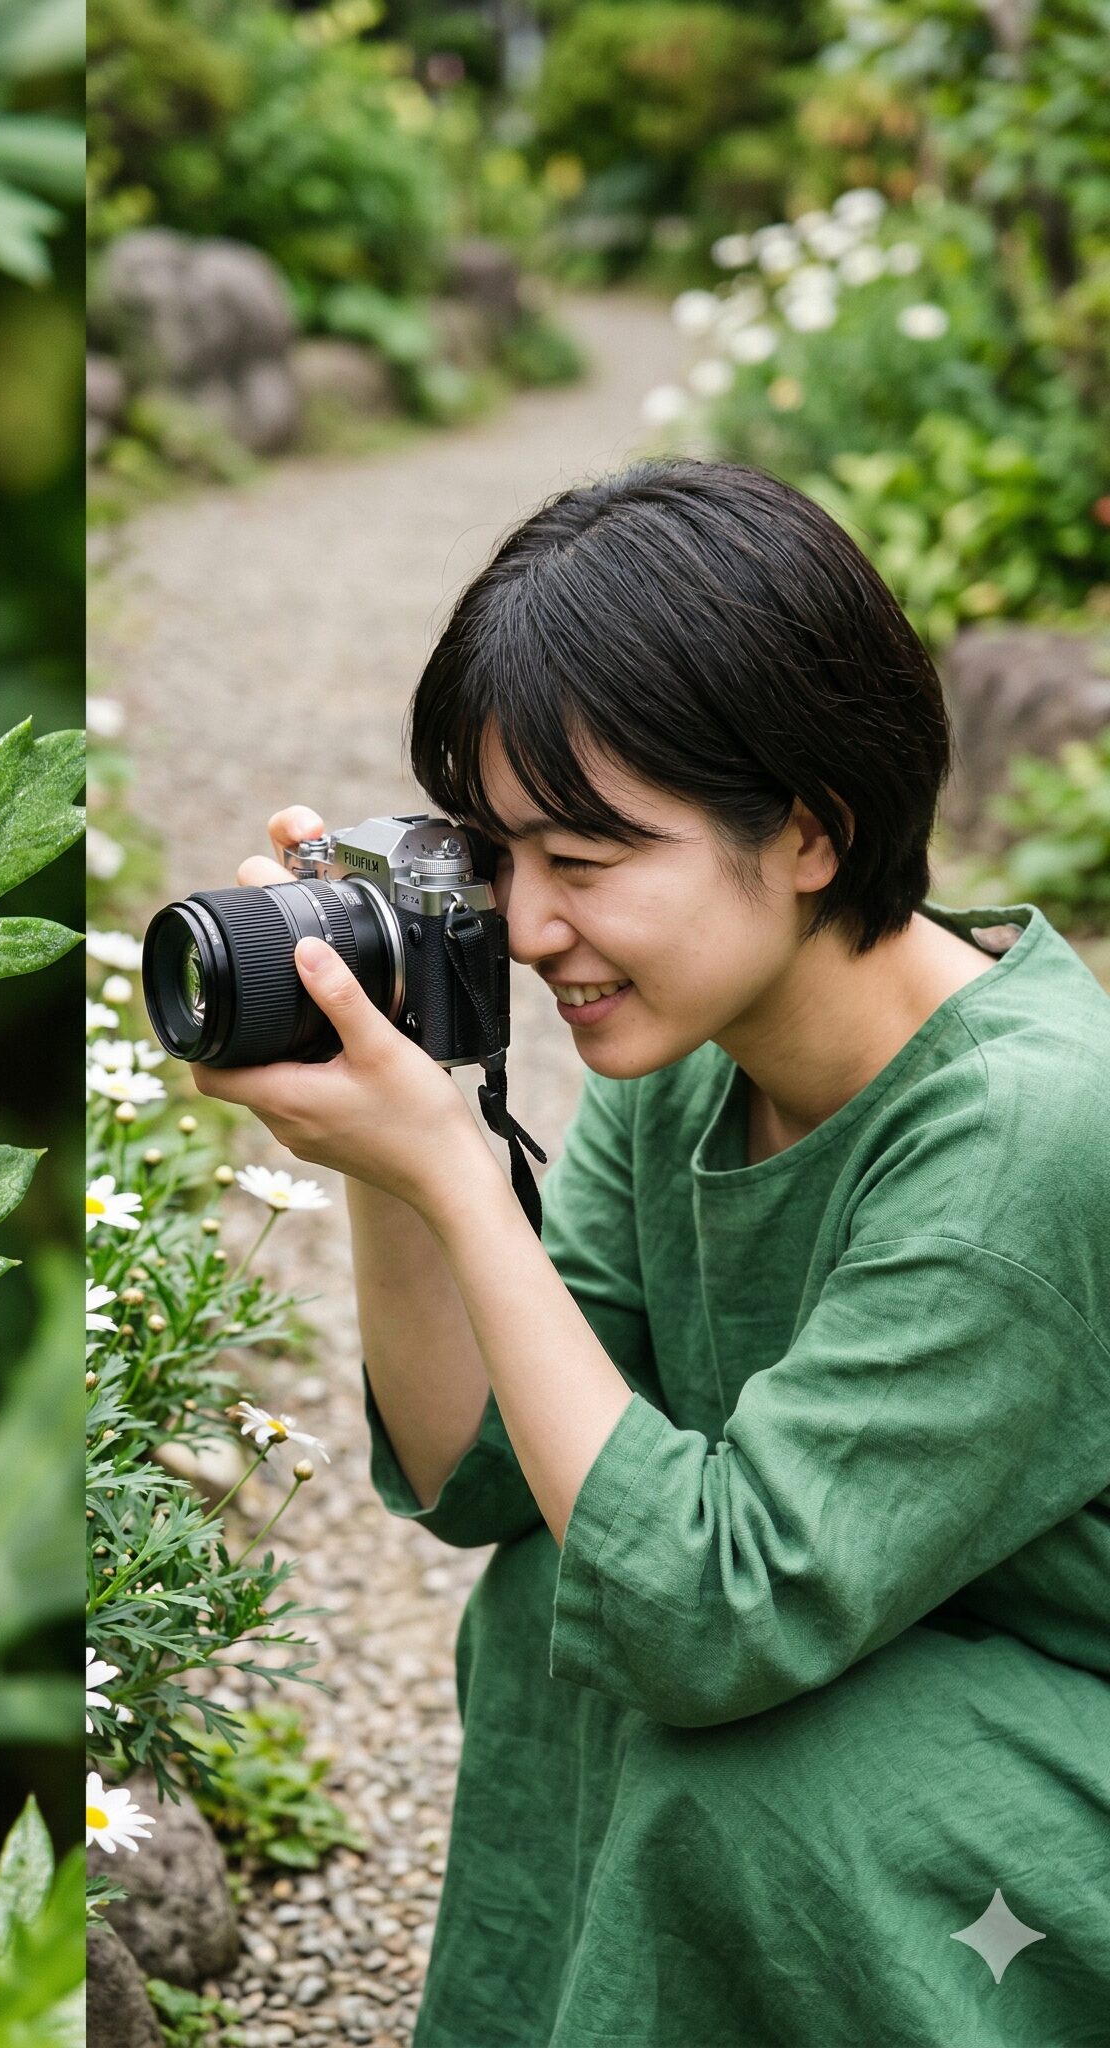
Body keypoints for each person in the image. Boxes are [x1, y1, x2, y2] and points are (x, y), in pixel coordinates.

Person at [191, 457, 1110, 2045]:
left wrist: (465, 1178)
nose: (531, 927)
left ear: (811, 832)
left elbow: (711, 1610)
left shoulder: (1025, 1130)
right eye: (495, 856)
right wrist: (383, 1145)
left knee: (741, 1762)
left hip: (1064, 1740)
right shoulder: (702, 1040)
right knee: (558, 1592)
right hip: (898, 1644)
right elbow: (492, 1476)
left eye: (587, 861)